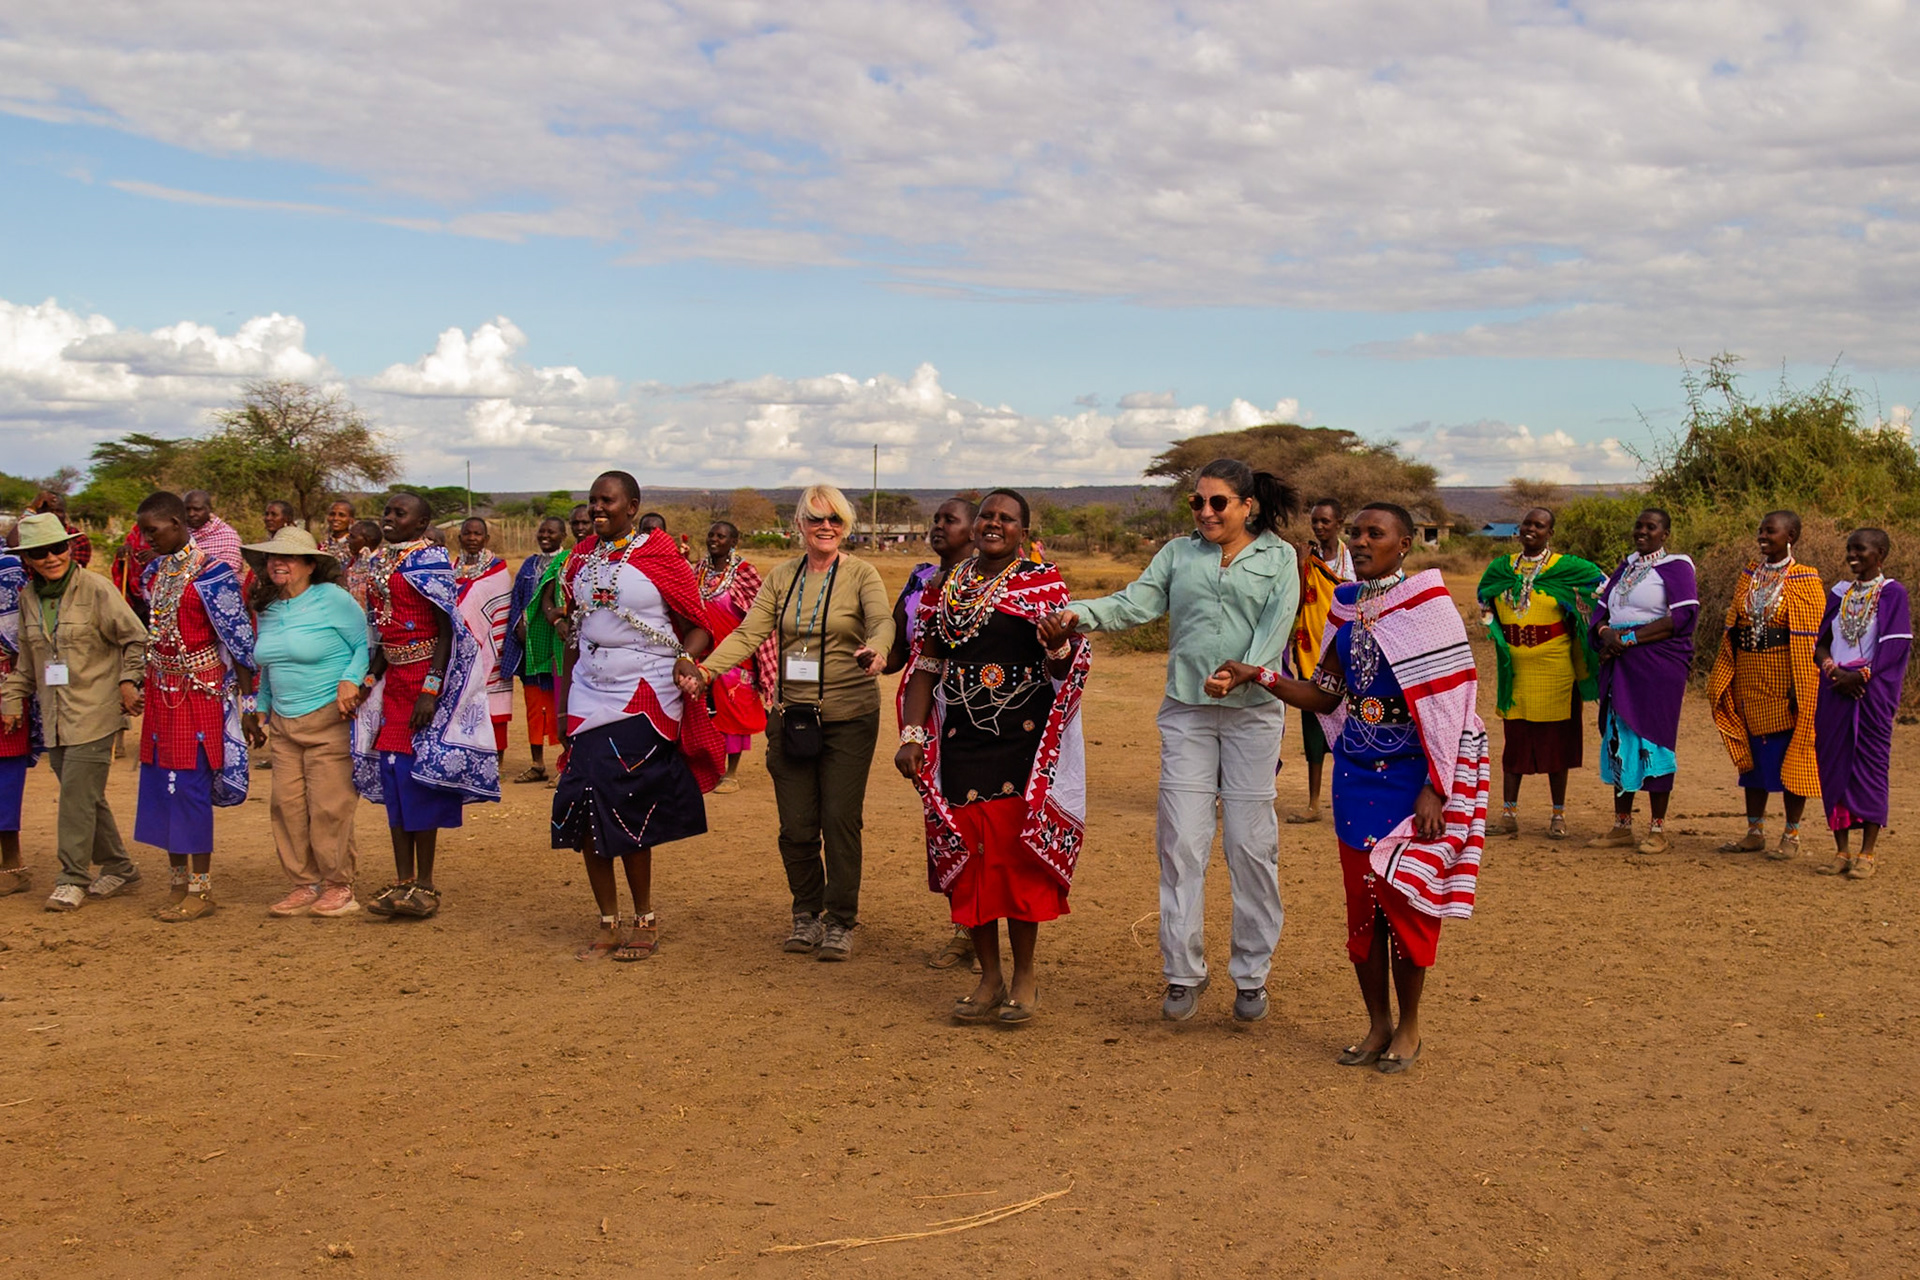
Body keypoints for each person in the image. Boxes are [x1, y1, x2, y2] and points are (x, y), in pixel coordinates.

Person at [1205, 503, 1490, 1074]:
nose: (1360, 542)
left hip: (1413, 780)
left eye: (1374, 534)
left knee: (1405, 905)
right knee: (1363, 911)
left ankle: (1408, 1027)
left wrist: (1437, 787)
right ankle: (1377, 1023)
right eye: (1356, 534)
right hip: (1356, 777)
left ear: (1404, 543)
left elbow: (1454, 709)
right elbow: (1325, 697)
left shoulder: (1429, 609)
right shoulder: (1347, 610)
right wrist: (1256, 674)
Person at [1040, 459, 1300, 1024]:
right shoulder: (1179, 555)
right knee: (1181, 839)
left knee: (1251, 845)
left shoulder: (1279, 557)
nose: (1205, 512)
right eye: (1197, 503)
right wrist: (1073, 614)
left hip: (1253, 715)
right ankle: (1183, 973)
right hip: (1187, 711)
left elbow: (1274, 632)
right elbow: (1134, 603)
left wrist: (1243, 671)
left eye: (1218, 503)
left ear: (1246, 505)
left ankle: (1251, 975)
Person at [895, 489, 1087, 1024]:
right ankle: (988, 978)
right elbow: (926, 667)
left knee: (1014, 861)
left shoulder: (1042, 584)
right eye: (987, 516)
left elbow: (1066, 669)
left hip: (1022, 745)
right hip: (960, 743)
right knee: (971, 862)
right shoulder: (945, 588)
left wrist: (1056, 645)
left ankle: (1024, 978)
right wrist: (913, 734)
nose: (994, 524)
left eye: (1007, 518)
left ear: (1024, 532)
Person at [684, 484, 893, 961]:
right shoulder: (781, 577)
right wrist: (706, 671)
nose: (826, 527)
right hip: (791, 716)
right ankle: (807, 914)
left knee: (839, 819)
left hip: (849, 716)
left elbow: (882, 622)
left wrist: (876, 650)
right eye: (817, 518)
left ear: (846, 526)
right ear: (799, 524)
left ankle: (840, 920)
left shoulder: (862, 574)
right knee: (796, 824)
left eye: (835, 520)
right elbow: (749, 632)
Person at [554, 472, 722, 961]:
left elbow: (699, 628)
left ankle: (644, 916)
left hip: (643, 690)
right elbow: (574, 630)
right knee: (582, 802)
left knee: (623, 799)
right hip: (589, 689)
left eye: (607, 501)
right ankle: (607, 920)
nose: (597, 508)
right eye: (592, 501)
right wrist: (565, 703)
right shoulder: (580, 558)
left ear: (632, 506)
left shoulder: (659, 554)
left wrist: (687, 659)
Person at [350, 492, 500, 920]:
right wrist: (368, 679)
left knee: (420, 781)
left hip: (426, 684)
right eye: (388, 512)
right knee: (395, 778)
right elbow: (383, 634)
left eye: (401, 514)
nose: (390, 518)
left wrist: (431, 691)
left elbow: (447, 630)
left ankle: (426, 883)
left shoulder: (430, 561)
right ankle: (402, 881)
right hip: (394, 684)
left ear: (422, 523)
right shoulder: (382, 562)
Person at [0, 513, 147, 912]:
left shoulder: (97, 589)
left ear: (69, 548)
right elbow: (28, 664)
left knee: (76, 798)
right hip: (55, 717)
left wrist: (128, 680)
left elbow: (136, 638)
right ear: (26, 559)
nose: (51, 557)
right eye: (38, 552)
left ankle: (72, 877)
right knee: (83, 795)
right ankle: (119, 866)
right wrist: (11, 699)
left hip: (96, 711)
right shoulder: (29, 598)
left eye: (57, 548)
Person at [130, 491, 258, 922]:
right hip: (163, 693)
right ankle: (177, 883)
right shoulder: (158, 571)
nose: (146, 538)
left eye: (153, 530)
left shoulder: (213, 574)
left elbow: (240, 641)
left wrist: (250, 703)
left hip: (200, 695)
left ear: (177, 523)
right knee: (161, 787)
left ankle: (201, 891)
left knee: (189, 790)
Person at [243, 526, 368, 917]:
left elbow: (365, 642)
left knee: (329, 806)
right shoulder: (269, 607)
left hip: (329, 716)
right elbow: (271, 663)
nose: (278, 563)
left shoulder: (332, 599)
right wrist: (259, 707)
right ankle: (303, 883)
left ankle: (338, 885)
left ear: (311, 565)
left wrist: (351, 679)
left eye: (289, 557)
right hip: (283, 722)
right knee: (286, 805)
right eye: (272, 557)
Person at [883, 496, 979, 971]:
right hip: (922, 713)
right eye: (936, 519)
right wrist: (875, 655)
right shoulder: (921, 578)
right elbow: (901, 650)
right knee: (942, 822)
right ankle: (964, 927)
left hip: (976, 712)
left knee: (977, 818)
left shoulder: (988, 583)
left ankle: (981, 926)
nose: (939, 527)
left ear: (975, 529)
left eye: (950, 520)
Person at [1476, 508, 1604, 840]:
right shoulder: (1501, 568)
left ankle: (1558, 815)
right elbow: (1484, 595)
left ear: (1550, 533)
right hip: (1514, 669)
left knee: (1556, 743)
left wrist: (1586, 617)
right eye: (1527, 523)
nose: (1531, 529)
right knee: (1514, 741)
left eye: (1539, 525)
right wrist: (1493, 625)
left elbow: (1603, 588)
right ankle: (1508, 814)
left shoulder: (1567, 568)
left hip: (1555, 669)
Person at [1709, 510, 1826, 859]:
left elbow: (1809, 637)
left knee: (1790, 754)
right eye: (1760, 530)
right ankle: (1754, 830)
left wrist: (1799, 683)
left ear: (1790, 536)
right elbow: (1734, 622)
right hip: (1748, 672)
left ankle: (1791, 834)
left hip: (1785, 678)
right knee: (1753, 756)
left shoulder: (1805, 578)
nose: (1762, 536)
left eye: (1770, 531)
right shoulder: (1750, 575)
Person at [1587, 509, 1698, 855]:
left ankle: (1658, 829)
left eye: (1651, 527)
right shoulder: (1626, 567)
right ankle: (1622, 825)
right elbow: (1599, 614)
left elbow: (1682, 617)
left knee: (1654, 741)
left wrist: (1630, 639)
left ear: (1665, 534)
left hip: (1656, 667)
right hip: (1618, 663)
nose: (1642, 532)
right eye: (1639, 526)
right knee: (1620, 738)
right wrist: (1606, 634)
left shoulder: (1677, 566)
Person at [1813, 529, 1911, 879]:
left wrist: (1863, 676)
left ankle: (1867, 854)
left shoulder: (1892, 593)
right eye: (1849, 549)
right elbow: (1821, 643)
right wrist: (1834, 672)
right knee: (1833, 762)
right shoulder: (1840, 593)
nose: (1852, 555)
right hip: (1835, 687)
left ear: (1880, 553)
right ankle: (1841, 851)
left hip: (1871, 693)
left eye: (1861, 549)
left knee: (1870, 765)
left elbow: (1895, 646)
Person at [1287, 497, 1355, 825]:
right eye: (1315, 521)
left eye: (1325, 521)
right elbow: (1297, 601)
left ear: (1339, 522)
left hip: (1347, 651)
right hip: (1310, 650)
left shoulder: (1352, 558)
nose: (1319, 527)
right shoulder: (1308, 558)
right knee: (1312, 728)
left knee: (1350, 729)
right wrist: (1301, 564)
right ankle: (1314, 803)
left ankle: (1349, 800)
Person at [697, 520, 770, 793]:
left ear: (733, 542)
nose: (714, 539)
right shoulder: (698, 571)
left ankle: (731, 772)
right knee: (701, 712)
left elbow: (760, 613)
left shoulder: (745, 572)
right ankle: (706, 768)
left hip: (736, 655)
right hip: (704, 652)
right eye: (711, 534)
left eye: (721, 536)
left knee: (732, 711)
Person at [499, 516, 567, 783]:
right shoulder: (529, 564)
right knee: (533, 705)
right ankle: (537, 764)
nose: (545, 536)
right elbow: (516, 599)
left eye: (551, 532)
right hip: (531, 647)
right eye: (542, 532)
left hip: (557, 645)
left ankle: (565, 765)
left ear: (563, 535)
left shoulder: (568, 562)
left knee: (559, 704)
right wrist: (518, 627)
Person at [454, 517, 514, 760]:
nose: (472, 538)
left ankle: (495, 756)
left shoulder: (498, 570)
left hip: (492, 643)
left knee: (492, 698)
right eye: (467, 534)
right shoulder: (453, 566)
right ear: (459, 537)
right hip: (459, 646)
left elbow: (499, 606)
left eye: (477, 534)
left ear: (486, 539)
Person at [0, 543, 39, 896]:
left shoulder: (9, 569)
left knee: (5, 778)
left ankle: (13, 864)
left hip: (6, 684)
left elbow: (19, 638)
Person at [25, 492, 92, 567]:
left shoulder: (77, 538)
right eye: (48, 511)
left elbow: (73, 572)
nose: (53, 516)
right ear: (38, 513)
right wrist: (31, 508)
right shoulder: (30, 535)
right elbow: (12, 544)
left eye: (58, 511)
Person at [184, 490, 244, 574]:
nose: (191, 514)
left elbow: (227, 575)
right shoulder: (179, 535)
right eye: (187, 509)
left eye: (197, 509)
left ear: (209, 509)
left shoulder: (228, 537)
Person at [110, 521, 155, 626]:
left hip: (159, 597)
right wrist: (123, 555)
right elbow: (122, 569)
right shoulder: (136, 533)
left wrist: (158, 556)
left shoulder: (170, 534)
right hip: (135, 600)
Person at [344, 518, 383, 606]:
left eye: (352, 537)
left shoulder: (380, 566)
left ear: (367, 541)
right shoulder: (353, 562)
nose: (348, 540)